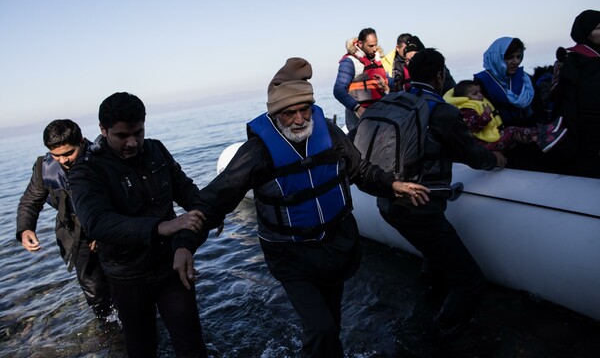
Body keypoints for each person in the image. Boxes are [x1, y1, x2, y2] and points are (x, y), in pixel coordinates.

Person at [191, 57, 429, 357]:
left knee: (331, 324)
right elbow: (216, 197)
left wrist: (392, 186)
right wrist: (186, 243)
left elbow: (360, 170)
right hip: (290, 255)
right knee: (321, 329)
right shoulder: (257, 152)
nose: (300, 119)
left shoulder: (327, 132)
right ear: (275, 115)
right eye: (290, 113)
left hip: (335, 245)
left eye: (304, 110)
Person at [377, 49, 507, 344]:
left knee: (434, 257)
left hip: (387, 202)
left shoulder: (393, 101)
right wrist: (495, 159)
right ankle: (439, 338)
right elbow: (472, 155)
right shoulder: (441, 111)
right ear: (440, 76)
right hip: (419, 208)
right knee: (470, 281)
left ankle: (424, 310)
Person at [69, 92, 208, 358]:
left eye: (138, 133)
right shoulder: (87, 170)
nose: (133, 143)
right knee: (141, 348)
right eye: (122, 136)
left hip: (171, 267)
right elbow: (96, 222)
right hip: (127, 277)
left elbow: (187, 190)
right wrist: (159, 227)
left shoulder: (155, 149)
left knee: (191, 345)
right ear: (103, 129)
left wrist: (205, 214)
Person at [16, 119, 113, 320]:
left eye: (69, 153)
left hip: (111, 228)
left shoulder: (104, 159)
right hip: (74, 233)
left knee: (125, 280)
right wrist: (25, 229)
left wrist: (102, 233)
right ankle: (108, 327)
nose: (63, 160)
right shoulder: (44, 167)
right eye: (56, 155)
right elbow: (30, 200)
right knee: (94, 289)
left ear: (82, 141)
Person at [444, 80, 567, 154]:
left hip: (493, 138)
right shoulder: (467, 110)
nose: (480, 95)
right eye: (475, 94)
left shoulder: (476, 104)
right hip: (486, 146)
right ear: (464, 98)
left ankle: (545, 131)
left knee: (515, 130)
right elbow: (475, 126)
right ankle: (541, 139)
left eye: (479, 92)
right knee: (512, 131)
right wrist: (486, 114)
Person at [549, 9, 600, 178]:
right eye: (598, 28)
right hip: (587, 136)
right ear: (586, 33)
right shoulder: (575, 61)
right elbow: (569, 105)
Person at [474, 37, 545, 127]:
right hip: (501, 135)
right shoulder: (482, 81)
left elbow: (539, 109)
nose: (516, 61)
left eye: (518, 57)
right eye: (509, 57)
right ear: (497, 58)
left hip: (532, 132)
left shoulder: (526, 79)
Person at [333, 27, 391, 130]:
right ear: (360, 44)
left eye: (376, 44)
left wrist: (386, 88)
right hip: (358, 124)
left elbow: (390, 85)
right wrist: (358, 109)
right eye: (370, 46)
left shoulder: (378, 60)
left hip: (380, 119)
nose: (374, 49)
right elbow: (338, 90)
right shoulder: (349, 62)